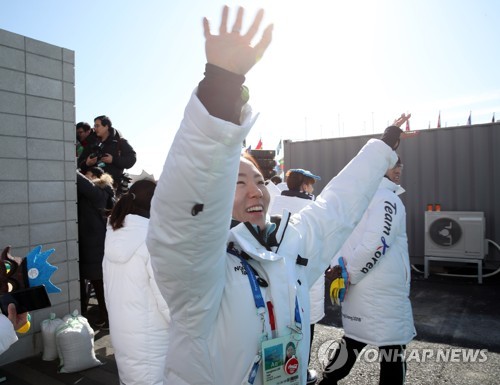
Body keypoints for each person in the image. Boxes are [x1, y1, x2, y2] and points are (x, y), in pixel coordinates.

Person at [146, 6, 407, 385]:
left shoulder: (292, 240)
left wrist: (384, 146)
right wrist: (222, 85)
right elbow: (187, 218)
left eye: (257, 179)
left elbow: (339, 205)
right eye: (237, 182)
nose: (254, 189)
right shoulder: (199, 269)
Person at [319, 156, 415, 385]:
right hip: (383, 291)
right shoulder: (386, 199)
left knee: (353, 339)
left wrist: (342, 272)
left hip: (358, 288)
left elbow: (337, 237)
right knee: (392, 349)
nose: (399, 168)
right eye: (393, 163)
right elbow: (377, 243)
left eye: (400, 163)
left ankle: (327, 381)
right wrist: (349, 273)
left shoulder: (357, 198)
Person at [103, 180, 170, 385]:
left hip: (123, 332)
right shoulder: (153, 239)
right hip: (154, 338)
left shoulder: (114, 235)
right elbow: (167, 299)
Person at [268, 168, 322, 384]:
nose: (312, 188)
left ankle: (278, 372)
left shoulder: (273, 203)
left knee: (281, 325)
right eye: (311, 184)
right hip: (307, 277)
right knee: (305, 325)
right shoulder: (311, 208)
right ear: (303, 185)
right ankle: (301, 371)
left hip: (277, 277)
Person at [76, 167, 115, 328]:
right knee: (97, 283)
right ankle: (101, 315)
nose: (86, 177)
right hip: (93, 243)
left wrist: (72, 165)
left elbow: (81, 182)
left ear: (98, 178)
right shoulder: (99, 194)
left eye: (89, 175)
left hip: (95, 245)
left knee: (99, 284)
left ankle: (106, 317)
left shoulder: (100, 191)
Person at [78, 115, 137, 196]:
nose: (94, 128)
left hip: (113, 188)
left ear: (106, 126)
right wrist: (87, 163)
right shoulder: (91, 142)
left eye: (97, 126)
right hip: (92, 188)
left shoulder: (120, 141)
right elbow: (79, 163)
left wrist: (113, 160)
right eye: (94, 125)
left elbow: (132, 159)